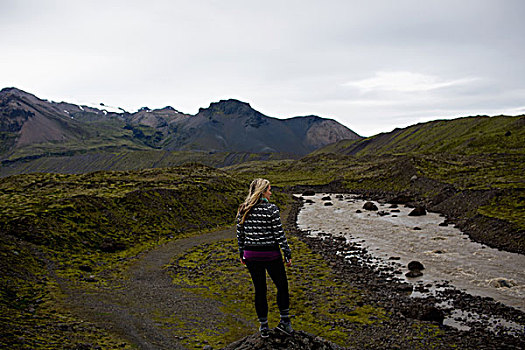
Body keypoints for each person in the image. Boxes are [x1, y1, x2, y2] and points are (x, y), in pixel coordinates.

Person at [236, 178, 293, 338]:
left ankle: (264, 327)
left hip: (251, 255)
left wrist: (242, 253)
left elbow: (240, 234)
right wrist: (287, 253)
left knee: (259, 290)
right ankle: (285, 323)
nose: (271, 192)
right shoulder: (272, 209)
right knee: (282, 286)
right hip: (271, 254)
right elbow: (279, 234)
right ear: (262, 192)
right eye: (269, 189)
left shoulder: (243, 209)